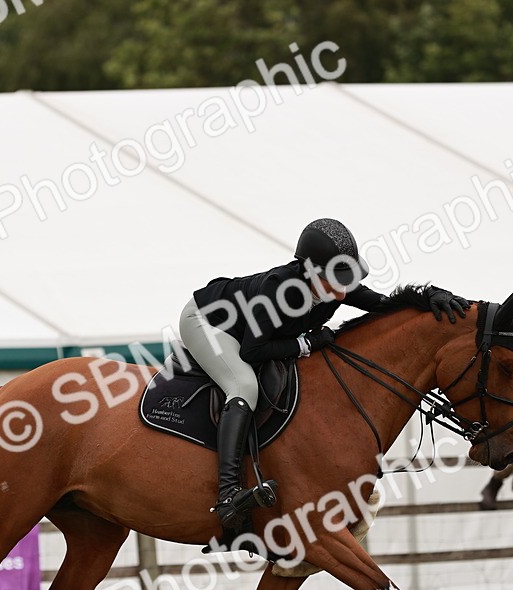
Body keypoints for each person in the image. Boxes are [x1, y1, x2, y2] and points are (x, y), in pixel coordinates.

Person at [178, 218, 469, 546]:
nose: (343, 292)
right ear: (309, 271)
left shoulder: (331, 284)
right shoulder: (278, 290)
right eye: (336, 280)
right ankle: (229, 494)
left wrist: (429, 296)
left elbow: (386, 307)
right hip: (208, 322)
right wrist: (306, 344)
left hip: (247, 329)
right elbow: (253, 351)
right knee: (244, 386)